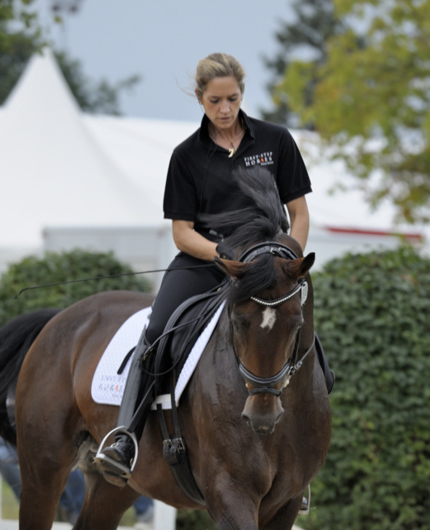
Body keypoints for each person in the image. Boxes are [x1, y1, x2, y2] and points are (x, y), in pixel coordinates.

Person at [96, 52, 313, 486]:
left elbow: (300, 213)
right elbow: (182, 232)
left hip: (272, 265)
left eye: (232, 98)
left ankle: (302, 455)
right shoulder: (186, 156)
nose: (225, 109)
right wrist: (223, 259)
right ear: (200, 98)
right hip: (209, 262)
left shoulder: (276, 140)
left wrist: (288, 262)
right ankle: (127, 436)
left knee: (301, 333)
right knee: (157, 330)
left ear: (241, 94)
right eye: (215, 100)